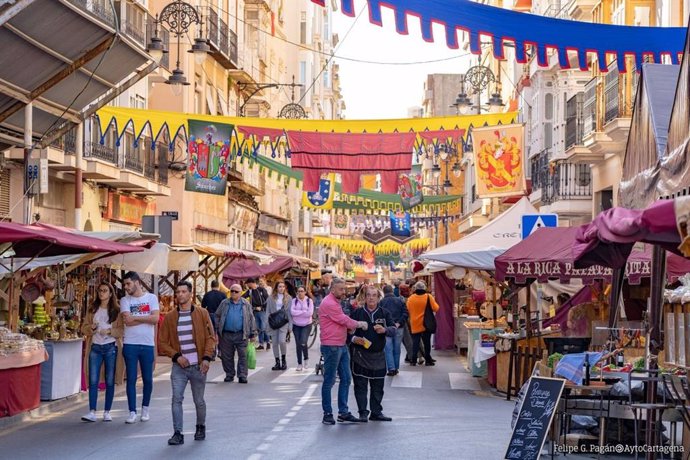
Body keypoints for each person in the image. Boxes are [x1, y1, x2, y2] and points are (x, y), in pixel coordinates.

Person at [159, 281, 215, 446]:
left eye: (184, 292)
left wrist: (206, 358)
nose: (180, 295)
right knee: (176, 398)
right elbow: (162, 342)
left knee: (199, 400)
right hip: (179, 367)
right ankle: (178, 433)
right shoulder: (170, 317)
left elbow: (211, 337)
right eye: (178, 292)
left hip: (198, 365)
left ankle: (200, 427)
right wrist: (176, 356)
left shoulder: (202, 313)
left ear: (190, 294)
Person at [319, 278, 368, 425]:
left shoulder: (336, 302)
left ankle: (343, 412)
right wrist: (358, 324)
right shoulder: (329, 303)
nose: (344, 292)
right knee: (330, 380)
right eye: (341, 289)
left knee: (346, 378)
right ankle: (327, 413)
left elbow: (341, 320)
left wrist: (350, 327)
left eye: (344, 289)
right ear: (332, 289)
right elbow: (342, 319)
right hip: (331, 345)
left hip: (341, 344)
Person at [350, 286, 397, 422]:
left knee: (378, 386)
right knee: (360, 386)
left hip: (378, 355)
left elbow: (394, 329)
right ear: (364, 297)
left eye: (374, 295)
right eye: (368, 295)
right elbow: (346, 331)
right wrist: (354, 339)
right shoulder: (357, 313)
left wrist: (385, 330)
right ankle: (363, 413)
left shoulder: (384, 313)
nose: (371, 298)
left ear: (378, 298)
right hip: (360, 355)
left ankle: (376, 412)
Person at [81, 282, 124, 422]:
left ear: (110, 293)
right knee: (93, 380)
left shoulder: (117, 311)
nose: (101, 293)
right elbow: (83, 328)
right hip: (95, 347)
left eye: (105, 290)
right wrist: (91, 328)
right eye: (100, 290)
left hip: (111, 346)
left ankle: (107, 411)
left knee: (110, 379)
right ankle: (92, 411)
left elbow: (122, 330)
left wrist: (110, 331)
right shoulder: (92, 309)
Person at [120, 271, 160, 424]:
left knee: (148, 379)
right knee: (130, 378)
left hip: (147, 343)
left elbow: (155, 319)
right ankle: (132, 411)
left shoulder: (151, 298)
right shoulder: (124, 300)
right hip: (130, 343)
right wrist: (146, 318)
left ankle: (145, 408)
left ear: (137, 282)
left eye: (128, 284)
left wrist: (135, 317)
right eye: (124, 284)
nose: (126, 287)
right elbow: (127, 321)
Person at [216, 284, 256, 383]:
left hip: (241, 334)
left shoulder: (245, 304)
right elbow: (217, 315)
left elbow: (251, 318)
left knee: (243, 355)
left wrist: (253, 333)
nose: (233, 293)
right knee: (227, 356)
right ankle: (229, 374)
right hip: (226, 334)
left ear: (240, 293)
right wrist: (218, 327)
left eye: (236, 291)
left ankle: (242, 375)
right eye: (232, 291)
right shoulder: (224, 303)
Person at [406, 281, 439, 367]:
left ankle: (413, 360)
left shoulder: (411, 298)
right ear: (424, 288)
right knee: (427, 343)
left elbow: (408, 309)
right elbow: (436, 308)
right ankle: (428, 360)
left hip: (415, 323)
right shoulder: (428, 297)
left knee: (415, 343)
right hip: (426, 323)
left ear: (415, 289)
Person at [380, 284, 409, 376]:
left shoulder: (381, 302)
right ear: (392, 291)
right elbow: (405, 313)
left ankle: (391, 368)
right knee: (397, 348)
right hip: (399, 327)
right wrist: (399, 323)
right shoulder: (400, 301)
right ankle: (396, 368)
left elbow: (379, 316)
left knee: (388, 348)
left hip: (387, 328)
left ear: (384, 292)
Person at [267, 281, 292, 371]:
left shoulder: (288, 298)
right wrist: (267, 323)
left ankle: (284, 360)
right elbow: (268, 311)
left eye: (283, 286)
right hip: (273, 322)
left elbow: (289, 312)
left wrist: (290, 325)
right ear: (276, 288)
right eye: (279, 286)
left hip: (283, 322)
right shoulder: (271, 298)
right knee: (274, 343)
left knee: (282, 341)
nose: (281, 288)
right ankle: (277, 361)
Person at [290, 286, 314, 372]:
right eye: (298, 291)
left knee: (303, 342)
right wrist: (303, 312)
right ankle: (299, 363)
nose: (300, 293)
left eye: (302, 291)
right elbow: (292, 312)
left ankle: (306, 359)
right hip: (296, 325)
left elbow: (310, 313)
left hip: (307, 324)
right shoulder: (294, 301)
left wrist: (298, 313)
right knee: (298, 344)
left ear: (305, 292)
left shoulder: (309, 301)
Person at [243, 278, 269, 350]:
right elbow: (243, 296)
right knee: (258, 328)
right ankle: (262, 344)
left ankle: (267, 342)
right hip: (254, 311)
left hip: (262, 311)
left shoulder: (261, 289)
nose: (247, 285)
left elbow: (267, 299)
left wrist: (261, 307)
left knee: (263, 327)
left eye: (248, 284)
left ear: (251, 283)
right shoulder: (250, 291)